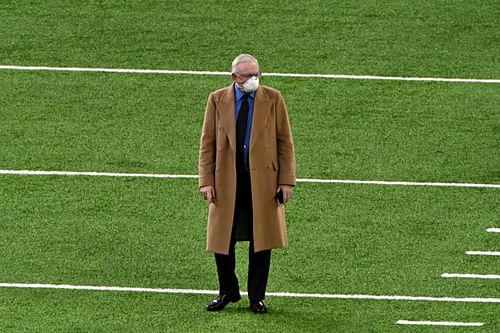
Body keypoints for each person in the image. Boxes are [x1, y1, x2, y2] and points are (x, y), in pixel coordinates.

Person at [198, 54, 296, 314]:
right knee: (222, 240)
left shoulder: (273, 99)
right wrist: (205, 181)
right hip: (226, 181)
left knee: (262, 240)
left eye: (257, 74)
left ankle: (256, 296)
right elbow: (207, 144)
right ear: (234, 77)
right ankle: (228, 290)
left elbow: (285, 142)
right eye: (248, 75)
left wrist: (286, 180)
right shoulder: (217, 100)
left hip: (263, 182)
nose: (254, 79)